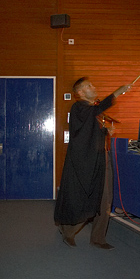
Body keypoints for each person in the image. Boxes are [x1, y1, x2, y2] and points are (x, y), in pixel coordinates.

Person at [54, 77, 131, 249]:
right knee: (83, 198)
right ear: (80, 92)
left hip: (101, 159)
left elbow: (91, 132)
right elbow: (84, 131)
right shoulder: (79, 108)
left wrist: (105, 131)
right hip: (85, 163)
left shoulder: (91, 111)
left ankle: (98, 238)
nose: (94, 87)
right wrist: (117, 92)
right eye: (89, 86)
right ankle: (68, 231)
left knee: (105, 199)